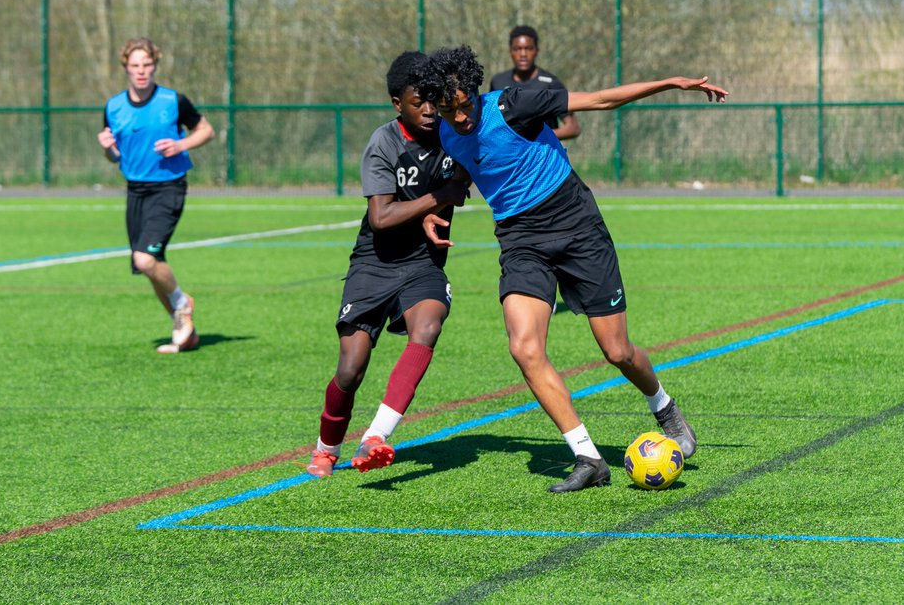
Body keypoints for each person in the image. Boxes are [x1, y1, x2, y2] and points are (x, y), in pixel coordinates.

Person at [419, 45, 727, 493]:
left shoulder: (515, 104)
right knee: (524, 347)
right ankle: (587, 455)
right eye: (449, 110)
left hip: (576, 226)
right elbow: (470, 168)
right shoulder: (445, 133)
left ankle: (664, 408)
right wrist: (436, 207)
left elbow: (600, 100)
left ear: (474, 90)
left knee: (617, 351)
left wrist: (670, 83)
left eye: (465, 104)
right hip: (521, 240)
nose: (460, 117)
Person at [306, 51, 470, 478]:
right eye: (420, 102)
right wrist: (439, 199)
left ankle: (376, 436)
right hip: (375, 262)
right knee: (351, 368)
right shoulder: (385, 142)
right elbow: (380, 218)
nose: (431, 110)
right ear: (398, 103)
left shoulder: (454, 131)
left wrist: (458, 186)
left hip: (423, 262)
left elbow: (472, 163)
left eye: (435, 99)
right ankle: (326, 447)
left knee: (428, 327)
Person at [96, 37, 215, 354]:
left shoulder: (173, 101)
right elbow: (115, 157)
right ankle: (185, 330)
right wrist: (108, 149)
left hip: (169, 186)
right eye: (135, 65)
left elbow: (206, 130)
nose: (141, 71)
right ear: (126, 67)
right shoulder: (114, 107)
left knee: (145, 258)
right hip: (136, 191)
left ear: (155, 65)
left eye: (147, 65)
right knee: (151, 265)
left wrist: (180, 145)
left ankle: (182, 303)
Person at [488, 26, 580, 141]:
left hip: (542, 156)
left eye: (529, 48)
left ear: (537, 51)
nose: (523, 54)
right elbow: (491, 122)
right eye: (517, 49)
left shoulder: (550, 83)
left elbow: (573, 128)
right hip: (509, 156)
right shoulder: (498, 81)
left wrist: (536, 138)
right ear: (510, 51)